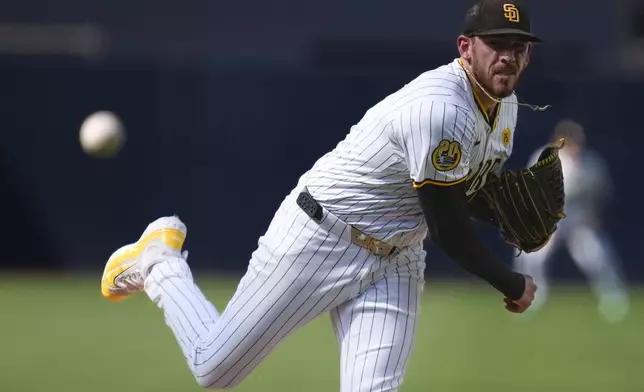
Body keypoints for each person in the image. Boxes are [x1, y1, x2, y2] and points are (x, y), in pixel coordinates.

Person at [101, 0, 541, 390]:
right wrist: (509, 281)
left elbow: (460, 192)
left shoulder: (506, 107)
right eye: (495, 43)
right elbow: (447, 227)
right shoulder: (440, 108)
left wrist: (509, 212)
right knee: (213, 370)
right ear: (466, 48)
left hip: (397, 258)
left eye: (517, 46)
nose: (506, 55)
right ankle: (160, 262)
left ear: (529, 54)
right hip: (321, 236)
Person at [513, 119, 630, 323]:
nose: (575, 145)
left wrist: (594, 217)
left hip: (578, 219)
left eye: (577, 141)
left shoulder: (592, 163)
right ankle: (531, 298)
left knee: (597, 256)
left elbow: (601, 194)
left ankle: (613, 298)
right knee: (531, 257)